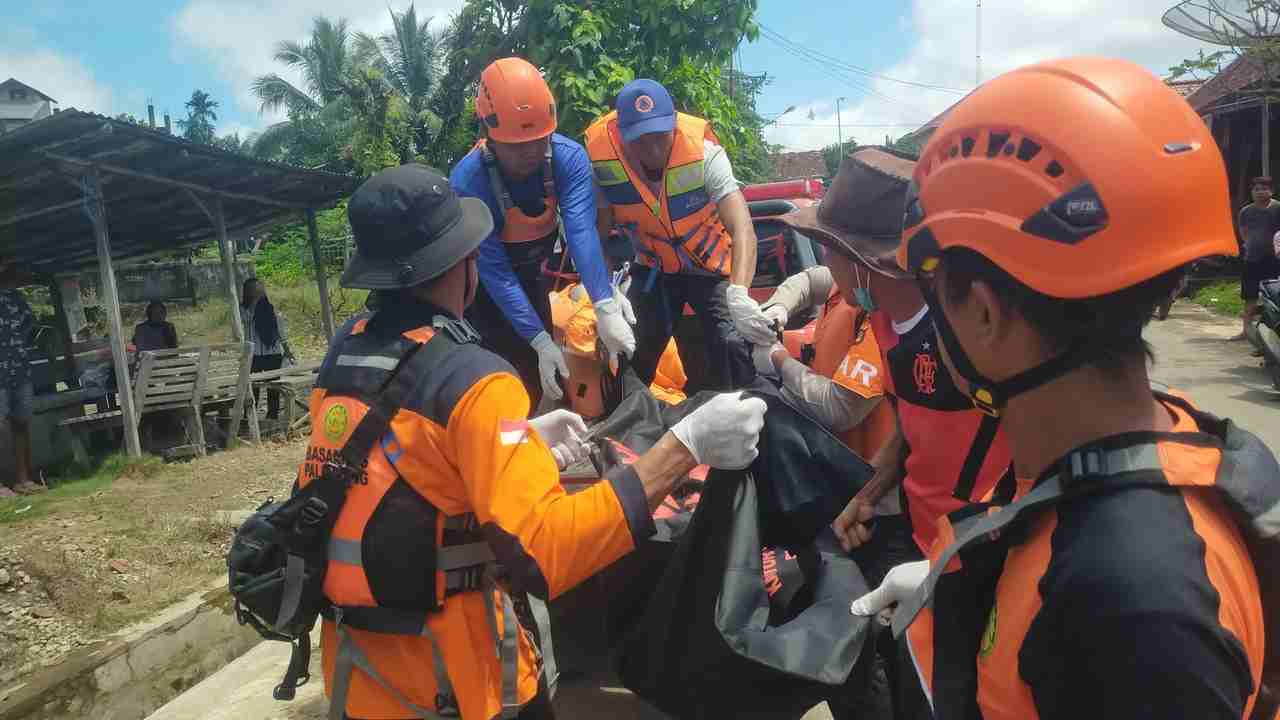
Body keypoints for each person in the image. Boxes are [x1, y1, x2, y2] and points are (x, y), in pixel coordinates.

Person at [855, 56, 1274, 719]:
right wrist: (969, 591)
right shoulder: (1129, 444)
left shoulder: (1129, 602)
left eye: (933, 294)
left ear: (985, 313)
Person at [310, 163, 766, 720]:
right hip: (456, 680)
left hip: (356, 675)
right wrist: (684, 445)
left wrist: (519, 438)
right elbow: (546, 554)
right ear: (463, 265)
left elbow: (397, 465)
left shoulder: (346, 354)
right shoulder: (474, 378)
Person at [450, 57, 635, 408]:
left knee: (539, 383)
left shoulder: (568, 159)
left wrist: (605, 303)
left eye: (539, 139)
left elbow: (582, 232)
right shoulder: (468, 182)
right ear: (490, 135)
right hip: (483, 291)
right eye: (517, 145)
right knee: (495, 377)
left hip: (534, 279)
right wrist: (539, 341)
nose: (531, 152)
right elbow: (494, 271)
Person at [586, 79, 769, 392]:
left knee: (731, 341)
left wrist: (739, 294)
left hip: (709, 270)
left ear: (674, 123)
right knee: (630, 342)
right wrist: (606, 296)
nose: (653, 149)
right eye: (641, 141)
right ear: (621, 135)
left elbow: (743, 230)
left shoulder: (705, 155)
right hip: (653, 268)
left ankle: (751, 419)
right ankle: (622, 424)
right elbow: (597, 237)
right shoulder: (603, 164)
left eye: (660, 136)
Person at [0, 260, 41, 498]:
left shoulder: (17, 299)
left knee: (21, 423)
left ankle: (23, 481)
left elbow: (31, 327)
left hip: (20, 370)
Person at [240, 278, 293, 420]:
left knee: (273, 388)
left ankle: (272, 416)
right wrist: (255, 302)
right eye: (255, 289)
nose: (259, 291)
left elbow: (281, 332)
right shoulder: (243, 310)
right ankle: (250, 417)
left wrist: (288, 351)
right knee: (253, 387)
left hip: (272, 353)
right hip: (254, 355)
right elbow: (247, 319)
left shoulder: (270, 308)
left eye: (260, 288)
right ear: (248, 292)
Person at [1237, 176, 1280, 343]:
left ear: (1271, 191)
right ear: (1252, 192)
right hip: (1252, 259)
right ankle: (1245, 331)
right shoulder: (1246, 211)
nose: (1260, 192)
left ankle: (1272, 335)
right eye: (1256, 189)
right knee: (1250, 296)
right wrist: (1250, 246)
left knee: (1274, 296)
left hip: (1274, 259)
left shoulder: (1277, 208)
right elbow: (1244, 232)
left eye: (1264, 188)